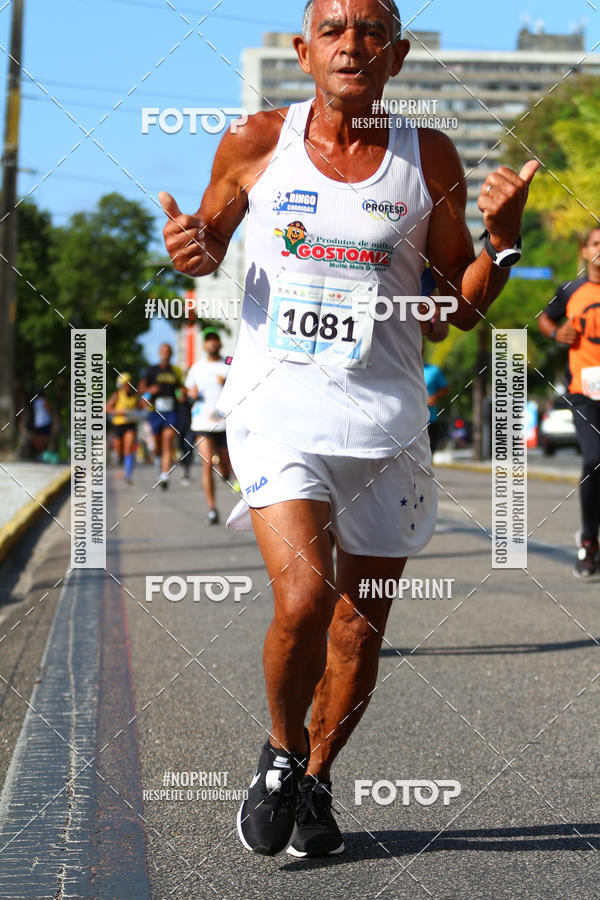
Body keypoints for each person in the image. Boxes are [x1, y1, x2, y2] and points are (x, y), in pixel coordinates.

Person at [159, 0, 539, 858]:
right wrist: (189, 247)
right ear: (304, 50)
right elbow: (208, 248)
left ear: (397, 55)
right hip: (275, 411)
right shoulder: (255, 141)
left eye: (370, 31)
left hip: (386, 424)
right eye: (333, 29)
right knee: (302, 601)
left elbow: (451, 312)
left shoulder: (425, 155)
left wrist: (502, 246)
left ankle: (320, 776)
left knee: (360, 627)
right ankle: (282, 751)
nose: (351, 45)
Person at [538, 227, 600, 578]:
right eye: (595, 244)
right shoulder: (571, 290)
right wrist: (555, 332)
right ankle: (589, 540)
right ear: (584, 251)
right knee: (594, 459)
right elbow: (545, 318)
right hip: (584, 392)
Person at [185, 328, 231, 524]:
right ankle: (212, 509)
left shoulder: (229, 362)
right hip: (202, 422)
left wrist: (228, 381)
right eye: (208, 340)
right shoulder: (197, 366)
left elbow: (244, 381)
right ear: (204, 345)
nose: (212, 343)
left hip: (226, 422)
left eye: (215, 340)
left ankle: (226, 474)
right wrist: (191, 393)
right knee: (206, 465)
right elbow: (188, 389)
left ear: (219, 343)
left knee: (226, 470)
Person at [139, 344, 183, 490]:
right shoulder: (152, 370)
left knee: (168, 441)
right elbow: (142, 389)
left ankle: (165, 475)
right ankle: (159, 463)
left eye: (168, 351)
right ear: (159, 353)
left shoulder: (175, 371)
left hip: (171, 411)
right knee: (158, 446)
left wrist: (181, 394)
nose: (165, 354)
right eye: (163, 351)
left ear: (171, 353)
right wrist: (150, 391)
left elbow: (180, 388)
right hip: (155, 411)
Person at [106, 373, 140, 484]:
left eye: (128, 384)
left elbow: (140, 407)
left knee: (128, 449)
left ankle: (128, 474)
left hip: (130, 425)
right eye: (125, 384)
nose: (127, 386)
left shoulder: (135, 396)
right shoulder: (117, 395)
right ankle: (120, 462)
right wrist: (119, 412)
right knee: (118, 448)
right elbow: (107, 408)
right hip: (118, 425)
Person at [423, 358, 448, 454]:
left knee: (428, 456)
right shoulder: (403, 369)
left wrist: (434, 397)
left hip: (430, 421)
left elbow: (444, 389)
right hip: (407, 421)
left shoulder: (433, 370)